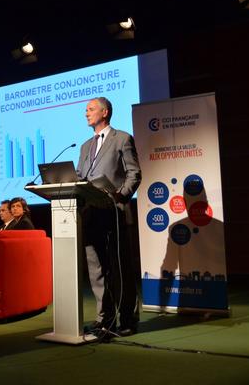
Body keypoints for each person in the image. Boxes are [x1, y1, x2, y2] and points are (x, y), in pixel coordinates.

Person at [76, 97, 142, 339]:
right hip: (91, 213)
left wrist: (120, 196)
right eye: (86, 110)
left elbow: (134, 173)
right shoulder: (85, 146)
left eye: (90, 109)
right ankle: (105, 318)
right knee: (96, 270)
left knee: (120, 268)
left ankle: (128, 319)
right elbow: (81, 177)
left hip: (114, 212)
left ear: (105, 112)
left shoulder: (122, 138)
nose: (86, 113)